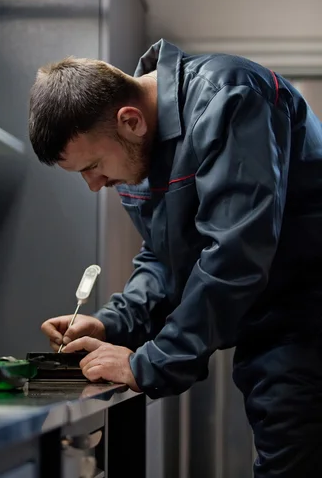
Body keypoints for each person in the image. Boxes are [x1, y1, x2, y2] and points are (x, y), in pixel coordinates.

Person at [29, 39, 322, 477]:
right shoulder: (139, 147)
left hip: (307, 323)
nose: (94, 184)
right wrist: (114, 322)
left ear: (130, 121)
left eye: (92, 166)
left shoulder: (229, 97)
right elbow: (167, 257)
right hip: (268, 326)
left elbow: (236, 253)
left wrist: (151, 361)